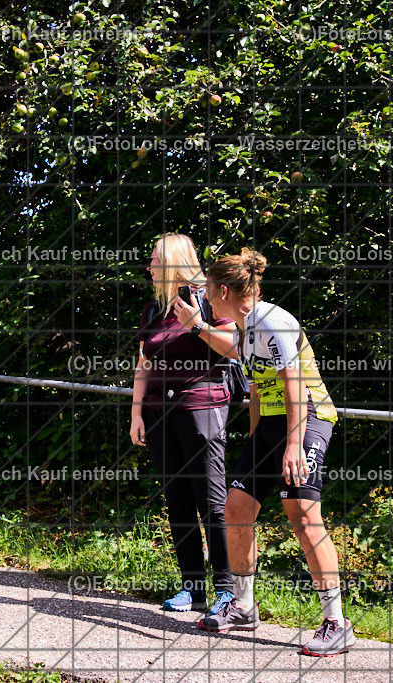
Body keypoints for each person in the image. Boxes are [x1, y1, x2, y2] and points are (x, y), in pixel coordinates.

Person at [178, 247, 354, 657]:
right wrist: (257, 438)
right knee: (237, 508)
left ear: (224, 290)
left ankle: (336, 622)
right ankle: (243, 605)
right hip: (273, 422)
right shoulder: (242, 326)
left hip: (307, 417)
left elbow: (293, 383)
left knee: (303, 515)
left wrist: (293, 444)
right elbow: (257, 382)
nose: (204, 296)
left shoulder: (273, 321)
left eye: (207, 290)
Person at [131, 233, 236, 614]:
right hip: (160, 412)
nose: (148, 266)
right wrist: (136, 414)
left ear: (174, 261)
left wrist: (195, 324)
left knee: (210, 499)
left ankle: (227, 590)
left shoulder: (208, 300)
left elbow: (234, 345)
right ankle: (193, 589)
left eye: (155, 259)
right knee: (177, 500)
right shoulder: (154, 308)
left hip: (201, 407)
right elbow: (144, 362)